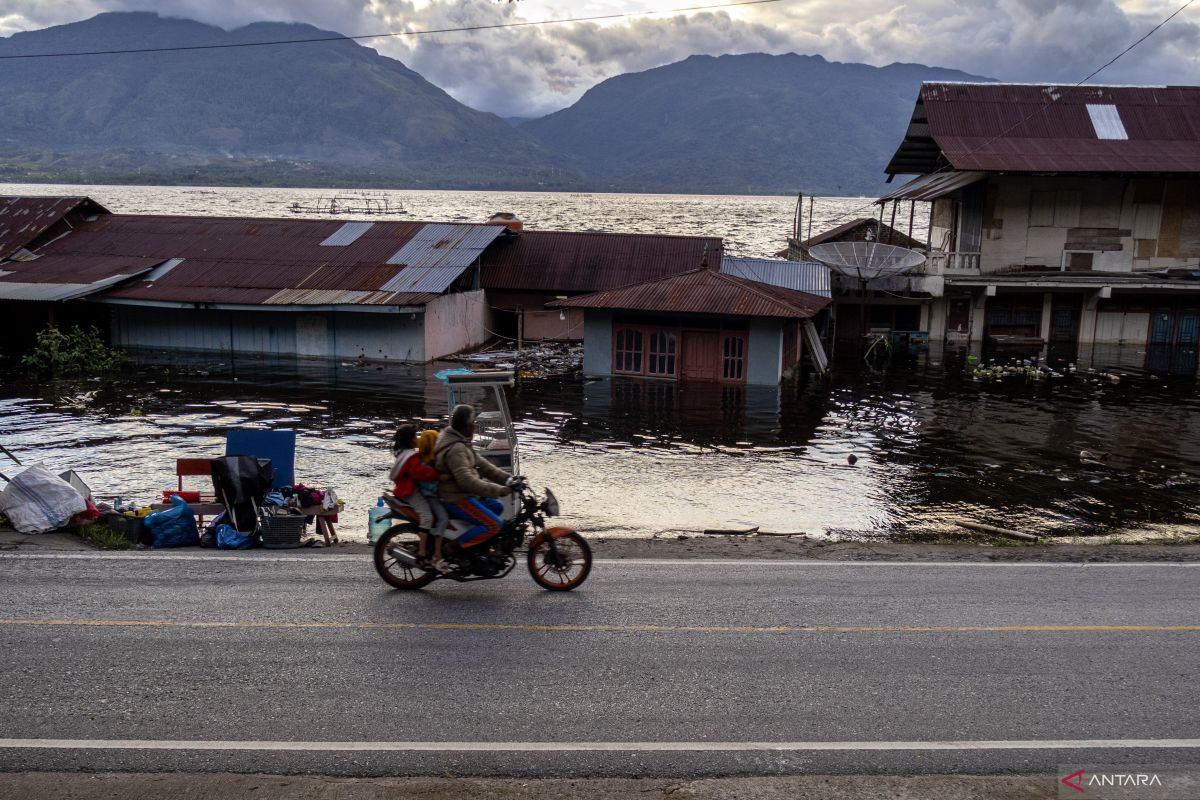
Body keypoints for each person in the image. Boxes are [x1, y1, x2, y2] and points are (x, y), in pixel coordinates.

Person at [435, 404, 513, 549]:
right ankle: (454, 547)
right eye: (473, 423)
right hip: (456, 498)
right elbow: (467, 481)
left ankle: (477, 546)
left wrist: (508, 479)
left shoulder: (460, 440)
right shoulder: (456, 449)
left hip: (463, 494)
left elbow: (483, 465)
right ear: (466, 427)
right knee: (494, 525)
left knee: (497, 506)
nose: (475, 426)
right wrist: (498, 490)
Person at [389, 424, 448, 571]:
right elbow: (419, 472)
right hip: (410, 493)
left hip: (406, 490)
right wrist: (438, 474)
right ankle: (422, 551)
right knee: (427, 517)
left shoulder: (404, 454)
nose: (418, 439)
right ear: (410, 440)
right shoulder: (411, 457)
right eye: (415, 436)